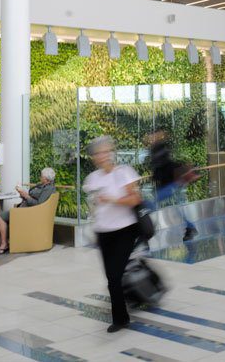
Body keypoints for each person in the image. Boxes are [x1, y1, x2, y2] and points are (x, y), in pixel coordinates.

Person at [83, 136, 142, 333]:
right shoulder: (92, 179)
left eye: (106, 151)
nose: (102, 156)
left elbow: (135, 199)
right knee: (111, 277)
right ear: (94, 157)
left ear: (111, 153)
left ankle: (121, 319)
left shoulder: (124, 172)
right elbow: (92, 205)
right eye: (98, 153)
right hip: (103, 232)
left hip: (125, 230)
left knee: (115, 276)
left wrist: (111, 199)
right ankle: (122, 313)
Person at [0, 167, 56, 254]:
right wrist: (23, 194)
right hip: (25, 209)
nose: (40, 178)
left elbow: (38, 204)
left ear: (46, 179)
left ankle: (2, 243)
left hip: (28, 213)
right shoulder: (41, 185)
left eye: (41, 176)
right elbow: (32, 196)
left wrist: (26, 196)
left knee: (0, 217)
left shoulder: (49, 189)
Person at [148, 127, 197, 242]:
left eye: (154, 135)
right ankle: (190, 228)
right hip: (169, 183)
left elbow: (163, 164)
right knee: (177, 207)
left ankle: (143, 232)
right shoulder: (158, 147)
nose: (152, 137)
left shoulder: (160, 147)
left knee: (151, 205)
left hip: (170, 184)